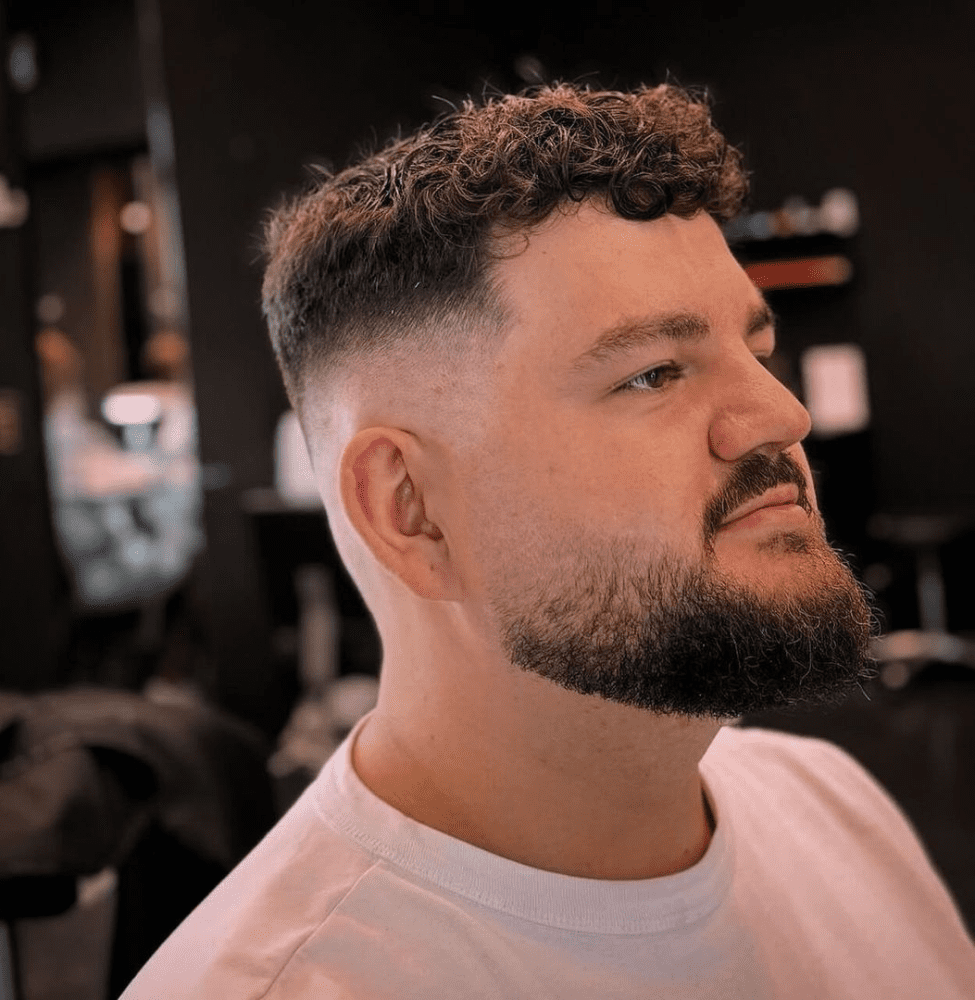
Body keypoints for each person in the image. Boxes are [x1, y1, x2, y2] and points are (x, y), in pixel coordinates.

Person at [120, 82, 975, 998]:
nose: (783, 416)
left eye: (756, 352)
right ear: (409, 507)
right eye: (653, 374)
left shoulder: (833, 805)